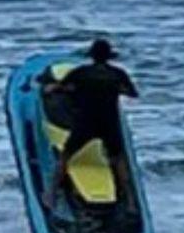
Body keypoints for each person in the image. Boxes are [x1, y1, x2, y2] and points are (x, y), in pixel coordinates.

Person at [46, 37, 140, 207]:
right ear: (109, 56)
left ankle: (52, 194)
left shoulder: (81, 73)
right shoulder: (118, 74)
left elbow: (58, 87)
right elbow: (133, 94)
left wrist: (58, 88)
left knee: (65, 156)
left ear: (92, 56)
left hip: (86, 122)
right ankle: (130, 200)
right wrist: (116, 89)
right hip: (109, 123)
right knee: (118, 159)